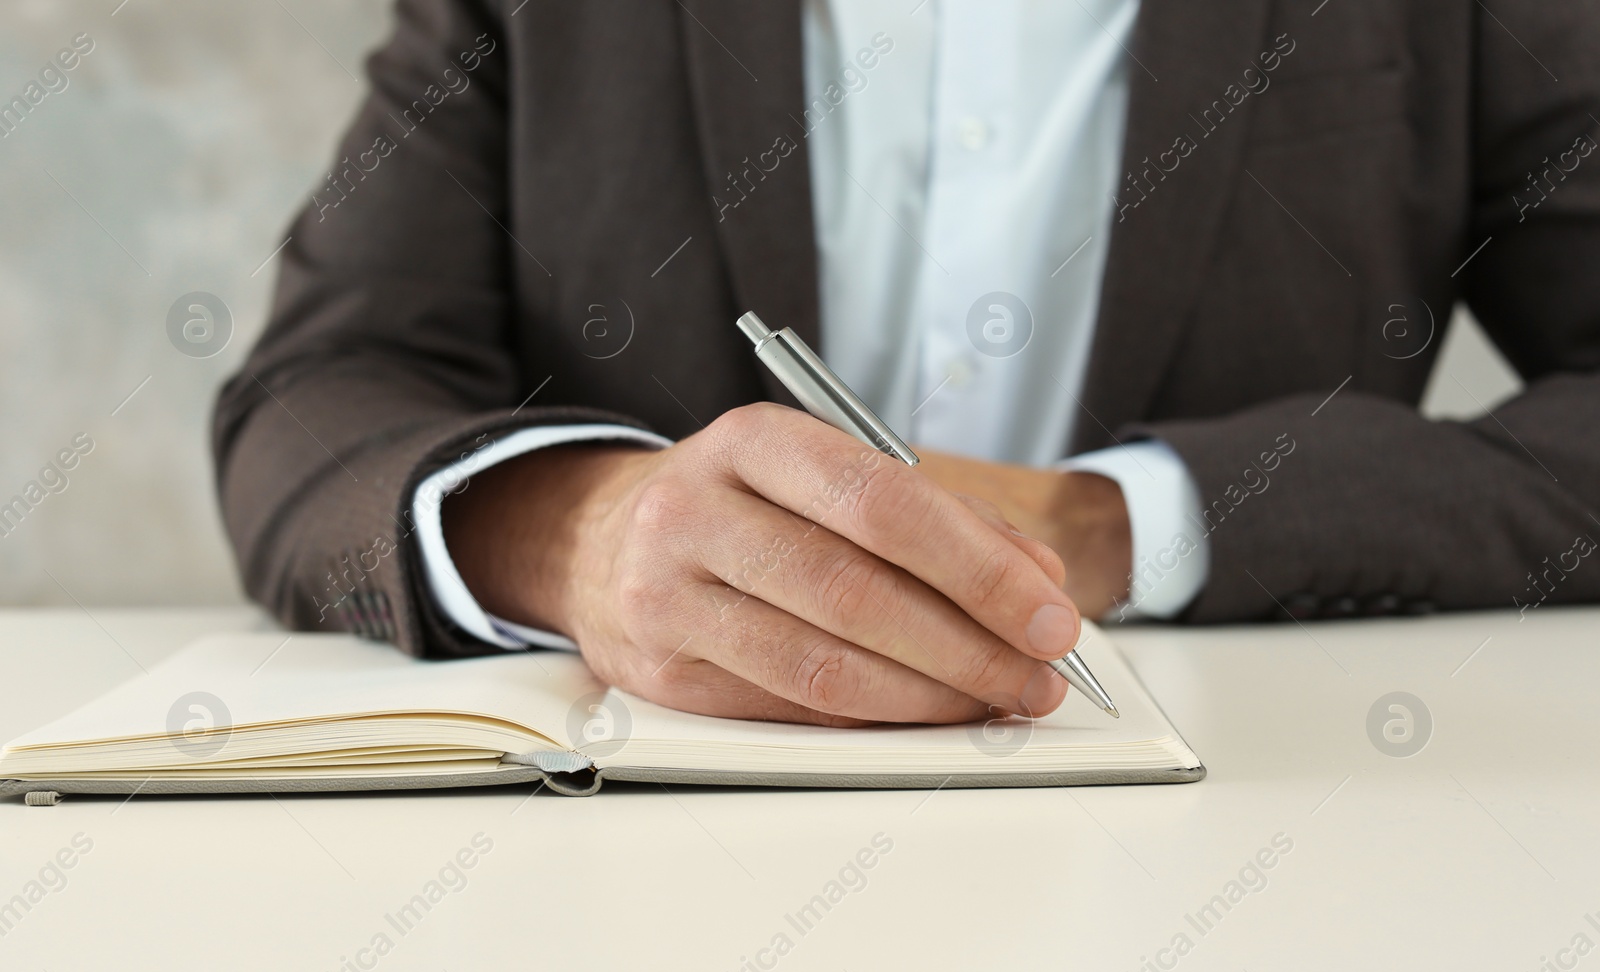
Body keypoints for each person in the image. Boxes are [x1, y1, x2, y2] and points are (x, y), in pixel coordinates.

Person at [213, 0, 1600, 726]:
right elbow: (314, 394)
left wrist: (1133, 519)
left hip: (1240, 841)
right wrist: (588, 536)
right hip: (635, 879)